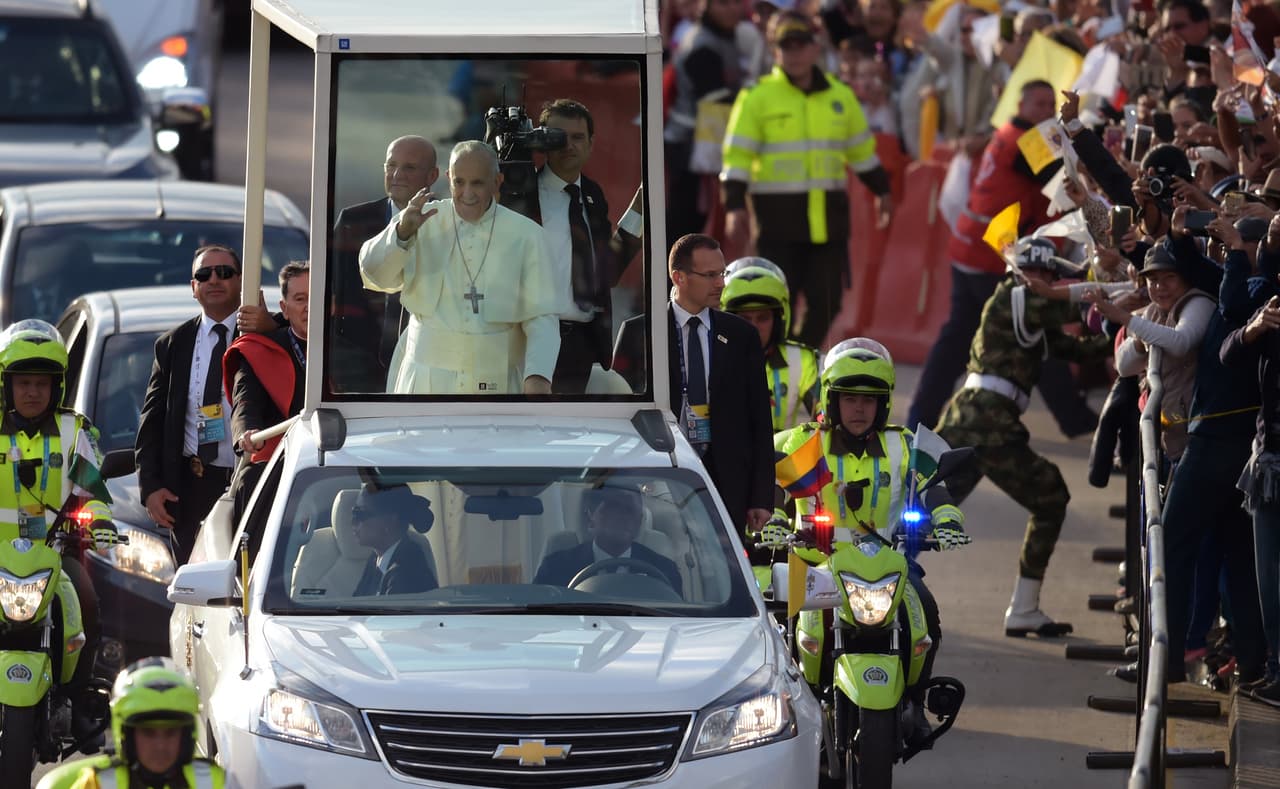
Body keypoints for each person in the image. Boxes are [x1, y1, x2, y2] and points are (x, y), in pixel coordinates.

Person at [772, 337, 970, 736]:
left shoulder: (904, 445)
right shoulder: (806, 442)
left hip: (887, 568)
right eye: (849, 399)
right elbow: (773, 484)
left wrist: (948, 519)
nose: (859, 409)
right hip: (815, 567)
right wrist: (775, 518)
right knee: (773, 628)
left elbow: (934, 487)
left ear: (884, 403)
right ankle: (779, 707)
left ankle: (914, 704)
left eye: (869, 400)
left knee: (925, 613)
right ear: (832, 400)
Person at [935, 237, 1112, 637]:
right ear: (1019, 273)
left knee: (924, 512)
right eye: (1035, 272)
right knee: (1049, 497)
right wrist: (1115, 293)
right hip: (987, 423)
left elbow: (1080, 350)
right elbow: (1066, 306)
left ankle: (1023, 608)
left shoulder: (1030, 314)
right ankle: (1023, 608)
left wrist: (1129, 332)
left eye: (1047, 274)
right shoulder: (1013, 298)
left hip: (980, 422)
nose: (1041, 281)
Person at [907, 80, 1097, 437]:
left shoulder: (1008, 133)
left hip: (973, 250)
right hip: (992, 258)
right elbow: (1062, 178)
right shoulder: (1026, 142)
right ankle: (1074, 418)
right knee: (1036, 332)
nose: (1046, 110)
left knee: (959, 342)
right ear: (1021, 105)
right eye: (1039, 103)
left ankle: (920, 416)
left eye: (1050, 104)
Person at [721, 10, 893, 349]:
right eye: (786, 46)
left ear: (816, 48)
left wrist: (882, 191)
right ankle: (773, 367)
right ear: (775, 52)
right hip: (777, 223)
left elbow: (862, 153)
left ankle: (796, 361)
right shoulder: (757, 97)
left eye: (801, 45)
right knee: (775, 304)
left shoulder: (840, 96)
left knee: (827, 303)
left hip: (828, 223)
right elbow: (737, 156)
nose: (794, 53)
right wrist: (733, 205)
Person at [359, 141, 561, 395]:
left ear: (497, 182)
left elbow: (543, 315)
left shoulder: (528, 235)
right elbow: (374, 277)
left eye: (477, 183)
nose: (468, 193)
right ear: (449, 179)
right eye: (459, 182)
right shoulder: (419, 219)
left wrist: (538, 375)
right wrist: (401, 234)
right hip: (426, 379)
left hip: (497, 379)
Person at [0, 320, 118, 740]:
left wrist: (100, 520)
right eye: (23, 383)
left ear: (58, 387)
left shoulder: (74, 431)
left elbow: (93, 491)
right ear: (7, 385)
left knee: (85, 602)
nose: (32, 392)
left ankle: (78, 699)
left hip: (55, 554)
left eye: (42, 383)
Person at [614, 233, 774, 540]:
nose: (721, 283)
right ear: (679, 277)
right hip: (658, 477)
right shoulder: (640, 333)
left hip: (726, 483)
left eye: (722, 273)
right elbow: (620, 411)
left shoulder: (742, 336)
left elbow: (760, 420)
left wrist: (761, 497)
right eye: (710, 275)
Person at [136, 245, 246, 564]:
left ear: (241, 280)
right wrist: (150, 486)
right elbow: (152, 421)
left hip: (248, 479)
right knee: (193, 583)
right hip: (193, 486)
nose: (214, 280)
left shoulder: (261, 333)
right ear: (193, 286)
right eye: (204, 274)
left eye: (224, 272)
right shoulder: (173, 344)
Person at [535, 99, 644, 394]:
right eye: (559, 137)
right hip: (535, 337)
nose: (568, 145)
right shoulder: (523, 194)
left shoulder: (592, 194)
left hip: (582, 343)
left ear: (591, 144)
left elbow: (606, 273)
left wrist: (640, 208)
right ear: (543, 141)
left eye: (577, 137)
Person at [331, 136, 440, 392]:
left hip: (426, 366)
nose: (397, 175)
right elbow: (327, 287)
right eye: (391, 165)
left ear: (432, 175)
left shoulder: (447, 222)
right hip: (358, 364)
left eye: (409, 167)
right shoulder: (353, 221)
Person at [35, 657, 225, 789]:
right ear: (126, 734)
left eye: (170, 732)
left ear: (187, 735)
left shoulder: (212, 781)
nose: (160, 745)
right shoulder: (99, 785)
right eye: (148, 733)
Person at [223, 262, 309, 520]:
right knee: (251, 482)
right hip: (284, 460)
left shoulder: (350, 349)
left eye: (316, 297)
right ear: (284, 308)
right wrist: (248, 431)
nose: (309, 306)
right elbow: (245, 400)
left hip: (340, 460)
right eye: (300, 299)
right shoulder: (260, 349)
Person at [665, 0, 746, 246]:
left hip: (702, 142)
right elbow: (717, 99)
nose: (732, 9)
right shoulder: (702, 45)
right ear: (706, 6)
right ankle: (669, 268)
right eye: (723, 4)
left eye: (736, 3)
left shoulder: (725, 36)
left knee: (694, 219)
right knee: (685, 220)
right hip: (688, 144)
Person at [719, 255, 821, 430]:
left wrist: (825, 418)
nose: (753, 328)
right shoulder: (710, 358)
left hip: (783, 448)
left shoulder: (802, 360)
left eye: (763, 318)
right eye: (744, 319)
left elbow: (824, 411)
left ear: (779, 321)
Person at [534, 484, 683, 593]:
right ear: (591, 516)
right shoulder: (556, 567)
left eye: (630, 510)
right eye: (613, 507)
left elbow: (678, 618)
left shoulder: (664, 571)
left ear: (640, 520)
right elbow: (537, 615)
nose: (622, 517)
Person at [350, 483, 438, 595]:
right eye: (354, 512)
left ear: (390, 521)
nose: (353, 522)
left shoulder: (406, 573)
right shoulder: (376, 559)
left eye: (361, 514)